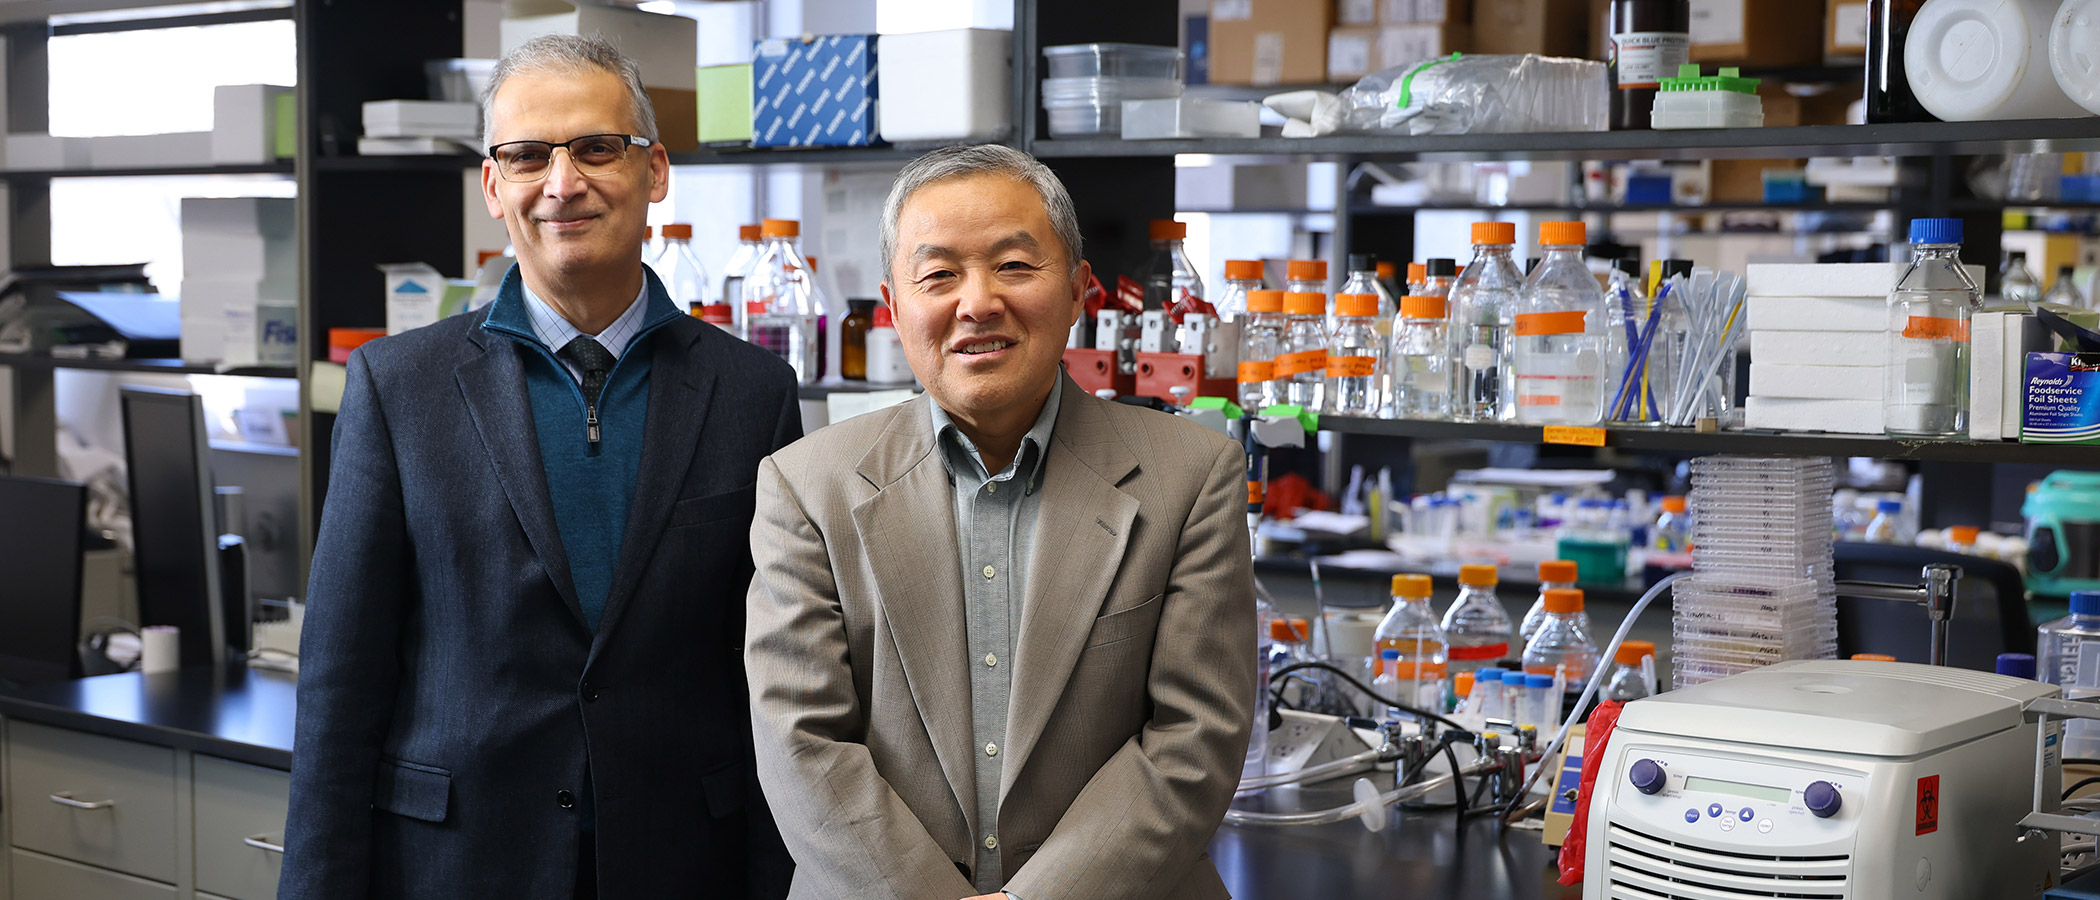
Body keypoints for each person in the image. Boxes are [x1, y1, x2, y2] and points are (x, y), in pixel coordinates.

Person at [280, 34, 797, 900]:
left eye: (598, 147)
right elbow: (339, 689)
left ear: (655, 170)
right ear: (493, 185)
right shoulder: (396, 386)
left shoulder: (753, 391)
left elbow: (777, 685)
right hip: (457, 865)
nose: (563, 184)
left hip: (682, 865)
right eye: (526, 156)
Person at [744, 144, 1256, 900]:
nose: (977, 302)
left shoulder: (1191, 475)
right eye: (939, 274)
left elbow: (1194, 739)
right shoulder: (806, 485)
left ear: (1080, 290)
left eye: (1015, 266)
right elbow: (801, 739)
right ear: (893, 306)